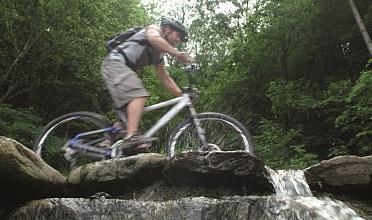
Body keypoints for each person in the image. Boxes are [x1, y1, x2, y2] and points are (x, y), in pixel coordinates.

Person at [100, 17, 192, 147]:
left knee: (127, 118)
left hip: (117, 69)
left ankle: (107, 144)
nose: (179, 40)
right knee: (138, 95)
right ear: (167, 29)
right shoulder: (154, 30)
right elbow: (154, 39)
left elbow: (165, 79)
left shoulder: (159, 56)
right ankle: (132, 136)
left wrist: (183, 95)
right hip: (114, 64)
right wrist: (177, 54)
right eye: (178, 36)